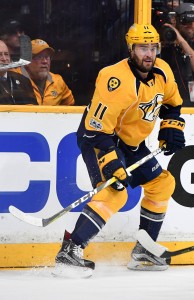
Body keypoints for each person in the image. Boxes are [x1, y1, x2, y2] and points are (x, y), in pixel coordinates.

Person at [53, 23, 185, 278]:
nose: (148, 53)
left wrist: (171, 128)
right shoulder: (114, 79)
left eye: (152, 47)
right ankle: (71, 250)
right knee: (115, 191)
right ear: (131, 49)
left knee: (162, 184)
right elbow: (96, 130)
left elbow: (172, 105)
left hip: (131, 142)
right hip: (99, 139)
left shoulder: (163, 71)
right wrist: (113, 162)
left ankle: (144, 251)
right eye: (142, 48)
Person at [13, 39, 75, 106]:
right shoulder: (12, 78)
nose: (45, 61)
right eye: (39, 57)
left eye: (47, 57)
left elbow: (70, 106)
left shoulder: (57, 81)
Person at [160, 2, 194, 106]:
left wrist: (180, 40)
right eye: (186, 21)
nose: (191, 26)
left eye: (193, 21)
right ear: (174, 20)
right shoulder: (166, 45)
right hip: (170, 104)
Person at [0, 40, 37, 105]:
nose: (4, 58)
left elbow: (34, 109)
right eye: (0, 55)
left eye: (6, 54)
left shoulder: (23, 80)